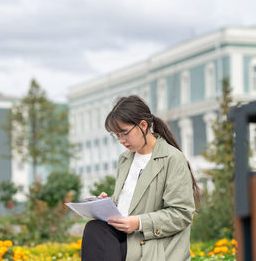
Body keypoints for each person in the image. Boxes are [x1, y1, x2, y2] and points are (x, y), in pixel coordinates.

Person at [81, 95, 199, 261]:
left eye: (124, 133)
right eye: (116, 135)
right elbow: (132, 203)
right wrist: (107, 205)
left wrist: (139, 223)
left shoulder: (172, 159)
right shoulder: (125, 159)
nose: (121, 140)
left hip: (150, 245)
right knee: (94, 228)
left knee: (96, 233)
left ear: (143, 125)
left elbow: (181, 214)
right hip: (124, 240)